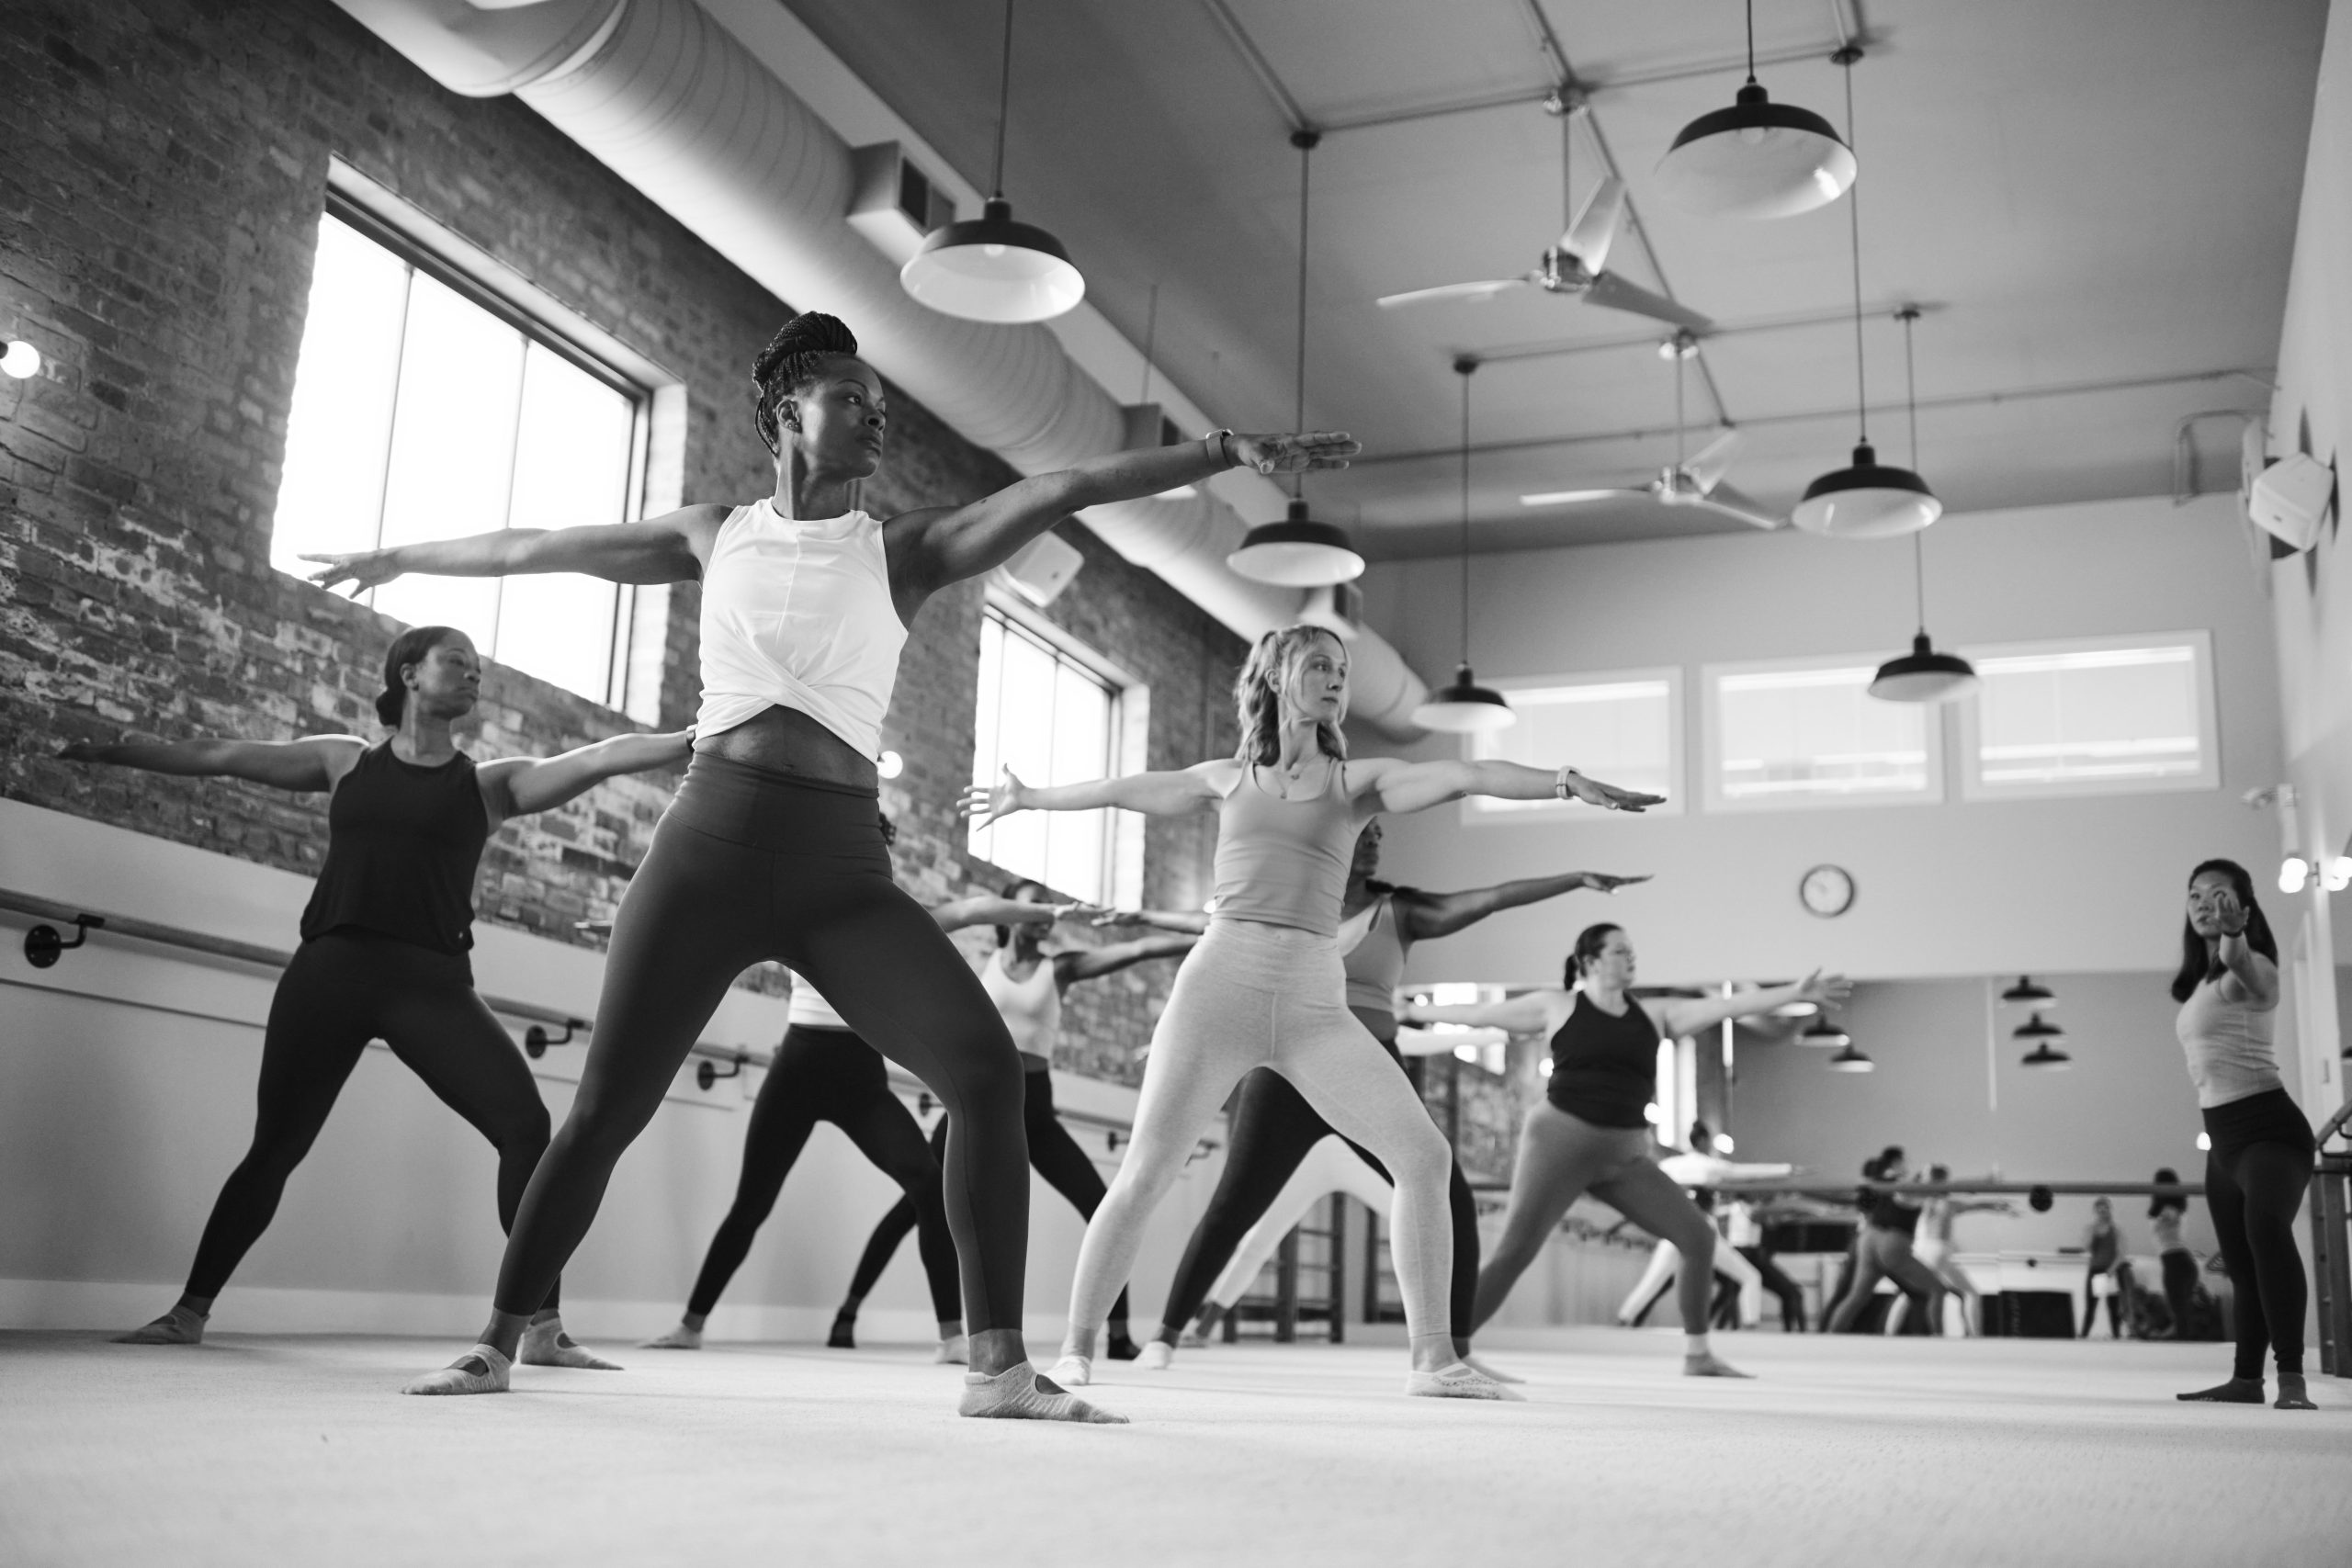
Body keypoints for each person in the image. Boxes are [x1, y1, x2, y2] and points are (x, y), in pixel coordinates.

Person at [308, 309, 1355, 1419]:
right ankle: (498, 1342)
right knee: (605, 1110)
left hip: (840, 870)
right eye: (853, 399)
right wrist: (404, 555)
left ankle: (997, 1371)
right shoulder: (714, 534)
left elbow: (1063, 489)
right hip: (705, 849)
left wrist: (1222, 454)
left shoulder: (905, 548)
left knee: (988, 1077)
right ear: (785, 412)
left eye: (883, 406)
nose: (875, 418)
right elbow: (538, 550)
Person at [965, 623, 1663, 1399]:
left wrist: (1565, 780)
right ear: (1275, 674)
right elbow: (1125, 789)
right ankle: (1077, 1351)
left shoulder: (1357, 783)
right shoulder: (1228, 778)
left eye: (1343, 669)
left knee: (1424, 1157)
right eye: (1320, 666)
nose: (1336, 680)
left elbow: (1465, 774)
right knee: (1146, 1171)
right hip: (1219, 984)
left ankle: (1434, 1359)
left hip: (1312, 1001)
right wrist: (1029, 797)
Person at [65, 626, 689, 1366]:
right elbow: (222, 757)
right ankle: (187, 1312)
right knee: (275, 1148)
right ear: (409, 673)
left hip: (431, 986)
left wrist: (691, 739)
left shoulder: (490, 784)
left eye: (479, 669)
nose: (473, 676)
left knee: (525, 1125)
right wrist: (114, 747)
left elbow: (598, 757)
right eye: (458, 661)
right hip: (331, 972)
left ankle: (541, 1326)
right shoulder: (343, 761)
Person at [1124, 820, 1646, 1374]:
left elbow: (1489, 899)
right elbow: (1215, 921)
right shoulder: (1294, 901)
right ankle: (1165, 1335)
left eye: (1380, 834)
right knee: (1235, 1205)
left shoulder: (1402, 911)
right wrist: (1139, 918)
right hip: (1288, 1070)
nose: (1375, 842)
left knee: (1449, 1195)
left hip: (1369, 1069)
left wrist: (1572, 879)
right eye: (1363, 832)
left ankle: (1456, 1349)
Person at [640, 829, 1101, 1365]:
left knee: (928, 1184)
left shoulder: (891, 916)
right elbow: (717, 929)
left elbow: (974, 909)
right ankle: (690, 1326)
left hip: (861, 1077)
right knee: (752, 1203)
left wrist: (1051, 909)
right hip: (798, 1069)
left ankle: (952, 1335)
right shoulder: (793, 905)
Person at [1402, 924, 1849, 1376]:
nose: (1631, 958)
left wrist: (1793, 992)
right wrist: (1413, 1008)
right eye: (1619, 951)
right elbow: (1483, 1015)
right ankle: (1449, 1352)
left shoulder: (1655, 1014)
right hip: (1559, 1141)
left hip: (1623, 1153)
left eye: (1631, 951)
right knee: (1515, 1250)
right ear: (1590, 961)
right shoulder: (1557, 1006)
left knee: (1697, 1237)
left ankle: (1698, 1355)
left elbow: (1728, 1005)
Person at [827, 882, 1198, 1361]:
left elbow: (1140, 949)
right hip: (979, 1105)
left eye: (1049, 907)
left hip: (1035, 1109)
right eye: (1033, 905)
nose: (1045, 915)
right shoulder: (981, 967)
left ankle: (1118, 1333)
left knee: (1100, 1205)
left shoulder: (1060, 969)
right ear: (1008, 916)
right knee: (916, 1205)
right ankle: (847, 1314)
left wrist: (1207, 935)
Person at [2170, 859, 2314, 1410]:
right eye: (2196, 896)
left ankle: (2294, 1380)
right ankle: (2246, 1379)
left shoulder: (2256, 971)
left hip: (2270, 1133)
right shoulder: (2204, 985)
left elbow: (2243, 961)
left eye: (2219, 894)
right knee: (2240, 1261)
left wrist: (2234, 934)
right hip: (2223, 1142)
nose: (2205, 902)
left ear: (2244, 908)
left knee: (2266, 1232)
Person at [1826, 1146, 1950, 1335]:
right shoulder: (1909, 1187)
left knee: (1857, 1296)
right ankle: (1937, 1337)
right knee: (1936, 1291)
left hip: (1868, 1239)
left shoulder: (1883, 1181)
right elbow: (1946, 1188)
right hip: (1891, 1242)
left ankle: (1831, 1335)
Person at [1915, 1164, 2008, 1337]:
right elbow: (1970, 1197)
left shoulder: (1924, 1201)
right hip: (1936, 1250)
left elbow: (1974, 1202)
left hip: (1923, 1250)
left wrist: (1992, 1202)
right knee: (1970, 1294)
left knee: (1912, 1293)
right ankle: (1974, 1335)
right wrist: (1989, 1182)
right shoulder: (1943, 1202)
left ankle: (1890, 1332)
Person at [2148, 1168, 2199, 1338]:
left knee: (2179, 1312)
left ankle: (2185, 1347)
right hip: (2179, 1261)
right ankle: (2185, 1343)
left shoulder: (2170, 1209)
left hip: (2176, 1260)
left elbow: (2168, 1216)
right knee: (2180, 1311)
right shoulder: (2172, 1208)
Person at [2081, 1196, 2123, 1338]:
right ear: (2095, 1212)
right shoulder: (2090, 1228)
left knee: (2113, 1309)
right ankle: (2083, 1336)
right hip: (2095, 1271)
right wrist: (2094, 1232)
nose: (2103, 1213)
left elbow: (2121, 1254)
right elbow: (2087, 1247)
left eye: (2105, 1210)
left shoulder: (2115, 1230)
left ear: (2110, 1211)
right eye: (2100, 1210)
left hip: (2110, 1271)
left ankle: (2116, 1337)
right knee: (2090, 1308)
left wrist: (2111, 1271)